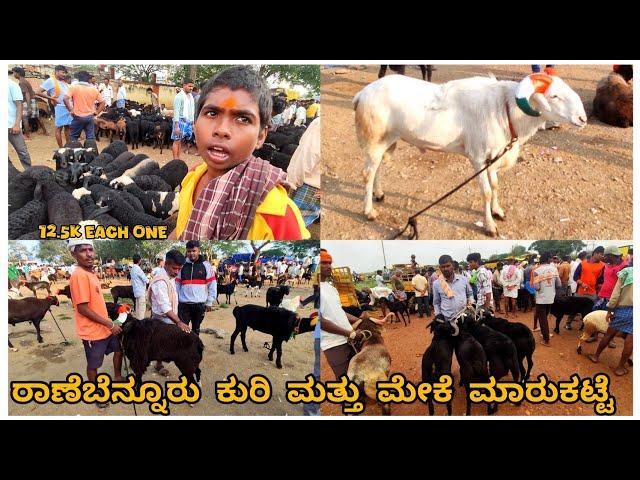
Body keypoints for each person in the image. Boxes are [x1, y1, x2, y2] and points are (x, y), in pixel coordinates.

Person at [173, 66, 310, 240]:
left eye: (243, 119)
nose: (222, 130)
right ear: (195, 124)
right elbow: (180, 232)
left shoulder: (278, 214)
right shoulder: (191, 178)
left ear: (261, 136)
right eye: (212, 113)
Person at [68, 239, 123, 407]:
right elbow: (83, 309)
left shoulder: (91, 273)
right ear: (73, 254)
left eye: (90, 249)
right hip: (92, 332)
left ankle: (118, 377)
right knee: (94, 364)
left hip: (105, 328)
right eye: (83, 250)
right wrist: (110, 324)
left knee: (119, 349)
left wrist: (111, 321)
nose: (89, 254)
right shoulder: (78, 275)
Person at [320, 249, 386, 379]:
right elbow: (320, 321)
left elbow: (340, 312)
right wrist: (351, 333)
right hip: (334, 344)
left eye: (329, 262)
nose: (328, 266)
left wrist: (362, 321)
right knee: (347, 383)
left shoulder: (331, 288)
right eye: (323, 262)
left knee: (360, 377)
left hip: (350, 340)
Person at [147, 249, 191, 376]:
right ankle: (158, 364)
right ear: (166, 264)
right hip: (161, 319)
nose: (177, 272)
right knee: (161, 343)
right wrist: (179, 322)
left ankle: (157, 362)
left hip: (169, 317)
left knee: (163, 343)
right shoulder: (160, 281)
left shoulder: (170, 276)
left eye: (179, 269)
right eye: (174, 268)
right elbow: (165, 307)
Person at [588, 265, 632, 376]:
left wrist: (610, 310)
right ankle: (620, 368)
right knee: (631, 339)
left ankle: (596, 356)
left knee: (609, 334)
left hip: (623, 309)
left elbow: (615, 294)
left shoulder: (626, 272)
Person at [176, 240, 217, 336]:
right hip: (183, 304)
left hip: (199, 305)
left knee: (196, 330)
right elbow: (177, 284)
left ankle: (195, 350)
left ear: (199, 250)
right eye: (189, 251)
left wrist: (209, 301)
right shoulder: (182, 265)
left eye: (194, 251)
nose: (191, 253)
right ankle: (183, 350)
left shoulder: (206, 265)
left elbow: (212, 284)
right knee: (182, 330)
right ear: (186, 251)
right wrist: (176, 299)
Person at [286, 117, 321, 226]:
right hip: (318, 189)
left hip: (306, 186)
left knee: (292, 225)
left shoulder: (321, 123)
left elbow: (308, 155)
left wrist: (291, 182)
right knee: (300, 227)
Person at [569, 246, 605, 330]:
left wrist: (599, 287)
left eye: (603, 254)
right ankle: (568, 323)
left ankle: (585, 326)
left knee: (590, 310)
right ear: (595, 253)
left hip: (592, 293)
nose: (602, 256)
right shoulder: (583, 263)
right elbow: (575, 276)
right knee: (574, 308)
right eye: (601, 254)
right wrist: (581, 283)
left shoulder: (602, 265)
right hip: (580, 291)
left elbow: (601, 279)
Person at [63, 70, 105, 142]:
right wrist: (97, 112)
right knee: (90, 139)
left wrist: (71, 110)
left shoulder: (73, 87)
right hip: (89, 117)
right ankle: (90, 152)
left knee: (73, 137)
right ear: (88, 79)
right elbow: (103, 102)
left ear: (79, 78)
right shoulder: (94, 89)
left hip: (77, 117)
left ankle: (74, 151)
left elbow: (65, 99)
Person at [36, 65, 72, 147]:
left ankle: (69, 147)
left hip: (68, 107)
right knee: (59, 128)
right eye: (63, 72)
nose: (64, 75)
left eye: (65, 73)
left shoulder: (63, 82)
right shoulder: (50, 81)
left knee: (68, 128)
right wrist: (51, 98)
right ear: (57, 71)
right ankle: (61, 148)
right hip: (60, 107)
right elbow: (37, 92)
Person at [432, 255, 474, 321]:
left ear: (453, 266)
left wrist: (471, 303)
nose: (445, 269)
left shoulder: (463, 280)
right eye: (443, 267)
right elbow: (436, 303)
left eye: (448, 266)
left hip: (464, 318)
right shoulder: (436, 284)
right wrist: (438, 315)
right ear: (440, 268)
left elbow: (470, 294)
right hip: (448, 320)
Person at [532, 252, 561, 347]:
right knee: (545, 317)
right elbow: (559, 285)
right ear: (549, 259)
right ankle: (545, 333)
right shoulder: (554, 269)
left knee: (542, 319)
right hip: (550, 297)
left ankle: (546, 339)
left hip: (541, 298)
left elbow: (536, 287)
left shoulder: (537, 271)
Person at [13, 67, 47, 137]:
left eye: (14, 73)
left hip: (27, 102)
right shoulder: (25, 81)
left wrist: (29, 107)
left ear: (18, 74)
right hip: (33, 101)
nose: (13, 74)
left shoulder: (21, 82)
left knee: (25, 118)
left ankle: (27, 135)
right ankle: (45, 132)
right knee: (38, 117)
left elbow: (27, 93)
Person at [8, 77, 31, 169]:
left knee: (22, 151)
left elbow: (19, 105)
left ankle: (29, 172)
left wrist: (17, 124)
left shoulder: (12, 85)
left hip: (11, 125)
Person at [171, 78, 195, 159]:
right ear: (184, 85)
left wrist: (192, 123)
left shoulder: (191, 96)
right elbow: (176, 112)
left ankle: (178, 158)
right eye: (189, 86)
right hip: (180, 121)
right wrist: (177, 126)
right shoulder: (179, 97)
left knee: (181, 140)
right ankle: (175, 160)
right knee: (176, 140)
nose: (191, 88)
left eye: (192, 86)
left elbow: (192, 110)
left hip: (187, 121)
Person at [130, 254, 149, 320]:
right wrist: (149, 278)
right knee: (141, 310)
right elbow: (146, 280)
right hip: (141, 292)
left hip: (136, 291)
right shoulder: (138, 269)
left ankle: (137, 323)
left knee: (138, 309)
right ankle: (140, 324)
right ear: (139, 260)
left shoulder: (132, 269)